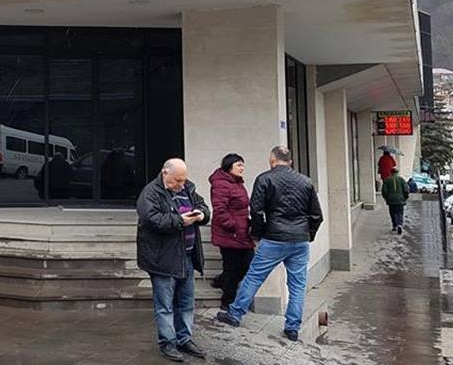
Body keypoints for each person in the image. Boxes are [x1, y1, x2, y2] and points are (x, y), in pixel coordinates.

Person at [218, 146, 323, 342]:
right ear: (290, 161)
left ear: (272, 161)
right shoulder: (306, 181)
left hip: (274, 237)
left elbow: (256, 210)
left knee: (254, 277)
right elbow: (317, 215)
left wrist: (258, 234)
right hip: (300, 240)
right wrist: (308, 235)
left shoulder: (265, 179)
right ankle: (292, 328)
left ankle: (235, 314)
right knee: (298, 285)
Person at [136, 158, 211, 362]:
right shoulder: (151, 193)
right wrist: (180, 221)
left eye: (183, 180)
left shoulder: (188, 188)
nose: (181, 184)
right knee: (165, 305)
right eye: (177, 180)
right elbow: (152, 219)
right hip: (162, 259)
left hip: (187, 256)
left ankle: (184, 339)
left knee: (186, 303)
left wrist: (201, 215)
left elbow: (203, 206)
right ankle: (168, 343)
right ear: (165, 173)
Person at [209, 153, 255, 311]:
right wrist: (233, 226)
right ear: (229, 167)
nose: (242, 168)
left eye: (243, 165)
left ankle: (221, 281)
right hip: (229, 233)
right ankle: (227, 301)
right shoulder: (221, 184)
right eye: (239, 165)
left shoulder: (237, 183)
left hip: (242, 233)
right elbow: (219, 209)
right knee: (232, 268)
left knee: (247, 265)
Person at [381, 168, 410, 234]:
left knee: (393, 213)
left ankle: (394, 225)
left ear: (391, 172)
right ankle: (399, 224)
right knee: (400, 213)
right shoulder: (401, 179)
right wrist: (405, 197)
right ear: (397, 173)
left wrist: (386, 198)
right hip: (400, 200)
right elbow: (406, 189)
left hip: (391, 200)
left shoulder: (387, 180)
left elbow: (384, 191)